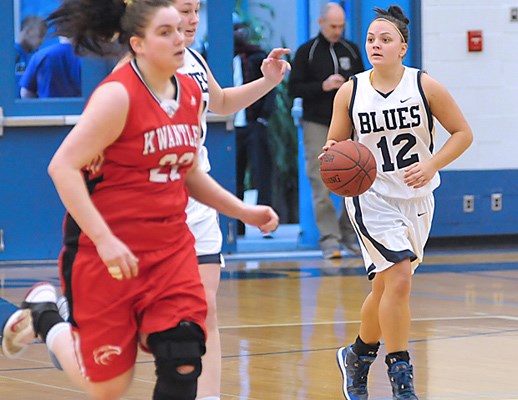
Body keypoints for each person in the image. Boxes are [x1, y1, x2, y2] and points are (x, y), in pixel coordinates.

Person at [0, 1, 279, 400]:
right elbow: (62, 167)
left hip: (169, 245)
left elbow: (185, 169)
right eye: (166, 30)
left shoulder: (187, 90)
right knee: (108, 387)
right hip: (110, 248)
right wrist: (106, 239)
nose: (183, 33)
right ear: (138, 44)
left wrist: (243, 211)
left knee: (183, 353)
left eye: (183, 25)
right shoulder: (117, 96)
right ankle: (46, 316)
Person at [325, 5, 473, 400]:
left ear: (402, 47)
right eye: (371, 39)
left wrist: (432, 164)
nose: (376, 44)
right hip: (369, 198)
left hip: (417, 197)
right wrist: (332, 156)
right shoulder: (350, 91)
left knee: (388, 289)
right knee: (401, 279)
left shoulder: (425, 86)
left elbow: (462, 133)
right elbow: (334, 144)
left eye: (385, 39)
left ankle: (356, 355)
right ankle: (400, 373)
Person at [173, 2, 289, 399]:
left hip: (198, 199)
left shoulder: (193, 59)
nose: (192, 19)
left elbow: (219, 102)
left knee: (205, 309)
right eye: (183, 10)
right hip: (153, 203)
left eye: (196, 11)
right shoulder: (135, 68)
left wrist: (268, 83)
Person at [288, 2, 365, 260]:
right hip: (317, 122)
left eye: (341, 26)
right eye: (333, 26)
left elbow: (364, 83)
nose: (337, 31)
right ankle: (329, 239)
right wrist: (322, 86)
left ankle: (349, 233)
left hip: (348, 123)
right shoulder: (306, 52)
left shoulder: (351, 49)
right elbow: (293, 89)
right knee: (320, 182)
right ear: (321, 23)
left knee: (355, 179)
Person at [233, 20, 277, 237]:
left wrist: (262, 118)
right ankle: (236, 227)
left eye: (241, 29)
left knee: (262, 173)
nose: (238, 34)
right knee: (235, 175)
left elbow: (270, 90)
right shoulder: (217, 59)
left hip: (253, 124)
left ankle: (265, 224)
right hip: (231, 128)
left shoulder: (256, 57)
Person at [15, 15, 48, 89]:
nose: (42, 41)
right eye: (40, 36)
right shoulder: (8, 55)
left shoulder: (36, 57)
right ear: (27, 31)